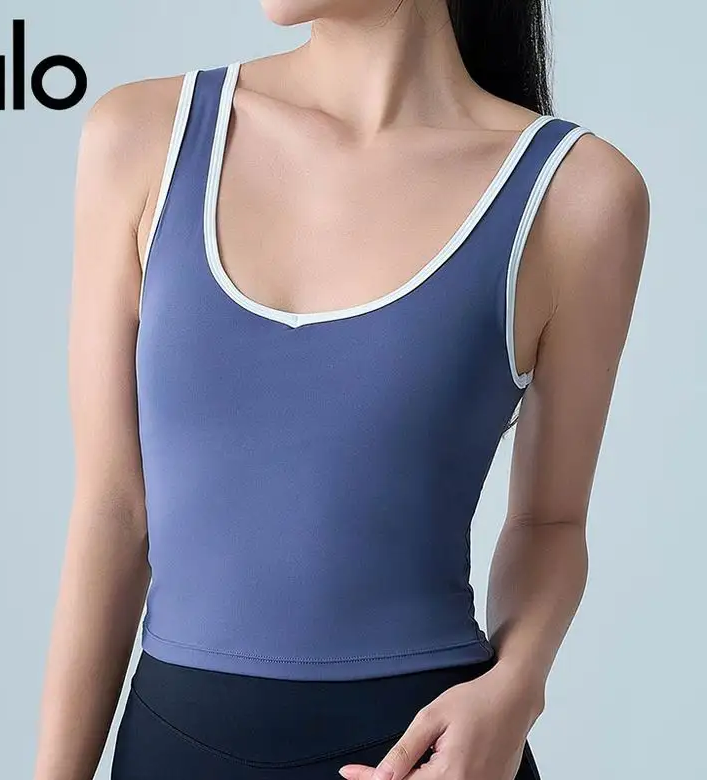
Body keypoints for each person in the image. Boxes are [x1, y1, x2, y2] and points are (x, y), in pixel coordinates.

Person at [33, 1, 650, 779]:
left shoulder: (576, 194)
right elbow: (115, 511)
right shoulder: (145, 136)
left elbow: (550, 521)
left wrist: (517, 688)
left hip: (423, 753)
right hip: (172, 746)